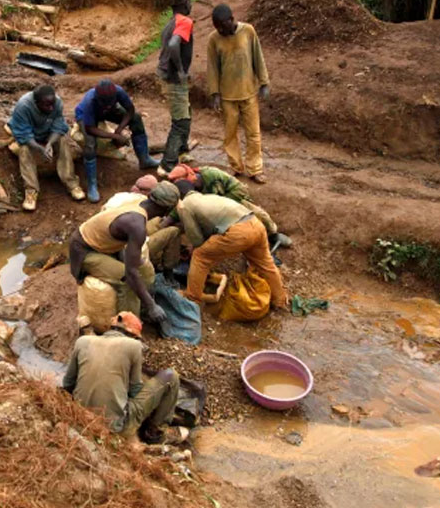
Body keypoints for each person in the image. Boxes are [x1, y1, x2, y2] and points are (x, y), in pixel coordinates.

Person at [68, 182, 182, 324]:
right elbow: (130, 274)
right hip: (84, 251)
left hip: (101, 244)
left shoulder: (139, 205)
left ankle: (141, 309)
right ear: (166, 209)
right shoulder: (136, 225)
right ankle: (128, 329)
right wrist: (151, 306)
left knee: (141, 271)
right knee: (127, 281)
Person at [62, 311, 180, 443]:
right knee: (171, 376)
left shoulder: (82, 342)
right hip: (116, 426)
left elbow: (67, 383)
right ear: (133, 336)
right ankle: (154, 433)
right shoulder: (134, 346)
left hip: (81, 417)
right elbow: (135, 391)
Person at [177, 190, 289, 309]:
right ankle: (280, 299)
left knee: (200, 256)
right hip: (256, 224)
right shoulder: (207, 198)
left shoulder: (185, 205)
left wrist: (194, 247)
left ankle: (192, 298)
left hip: (239, 232)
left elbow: (197, 239)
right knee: (265, 263)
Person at [206, 4, 271, 184]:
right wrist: (215, 94)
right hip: (227, 96)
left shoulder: (248, 31)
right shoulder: (214, 39)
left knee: (253, 133)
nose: (219, 30)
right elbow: (212, 67)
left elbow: (258, 56)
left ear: (231, 20)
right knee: (230, 134)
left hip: (248, 93)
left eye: (222, 26)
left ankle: (255, 169)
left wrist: (264, 82)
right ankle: (236, 167)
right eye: (216, 27)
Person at [166, 164, 290, 249]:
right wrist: (166, 222)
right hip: (209, 205)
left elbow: (234, 193)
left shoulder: (212, 176)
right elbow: (181, 205)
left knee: (256, 214)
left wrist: (220, 203)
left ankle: (273, 233)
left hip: (230, 197)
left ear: (190, 177)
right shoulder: (184, 187)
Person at [76, 79, 160, 203]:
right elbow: (90, 129)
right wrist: (115, 136)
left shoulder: (118, 92)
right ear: (98, 98)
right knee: (90, 144)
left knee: (136, 119)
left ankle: (144, 159)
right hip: (87, 119)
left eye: (110, 102)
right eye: (104, 103)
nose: (107, 104)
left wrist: (119, 129)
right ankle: (92, 185)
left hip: (107, 113)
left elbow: (130, 111)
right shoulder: (89, 101)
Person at [9, 84, 85, 211]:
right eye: (46, 105)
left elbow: (58, 126)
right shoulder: (23, 106)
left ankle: (72, 184)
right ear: (36, 102)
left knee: (62, 141)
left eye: (52, 104)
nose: (51, 108)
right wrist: (39, 148)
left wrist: (49, 144)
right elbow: (24, 134)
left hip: (48, 134)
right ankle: (31, 191)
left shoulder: (57, 103)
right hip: (30, 137)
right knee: (24, 149)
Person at [156, 0, 195, 178]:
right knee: (181, 122)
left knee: (185, 112)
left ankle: (182, 150)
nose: (191, 3)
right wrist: (181, 70)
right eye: (189, 0)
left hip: (165, 75)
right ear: (184, 4)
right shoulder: (184, 22)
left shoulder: (170, 23)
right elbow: (173, 45)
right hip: (173, 78)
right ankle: (167, 164)